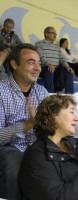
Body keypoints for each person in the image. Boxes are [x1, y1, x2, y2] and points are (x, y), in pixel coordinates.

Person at [0, 43, 48, 200]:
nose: (38, 68)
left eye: (39, 63)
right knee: (14, 161)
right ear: (14, 64)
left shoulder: (42, 92)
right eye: (31, 62)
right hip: (10, 148)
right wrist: (27, 125)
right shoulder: (1, 90)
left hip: (37, 146)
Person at [35, 26, 74, 93]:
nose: (55, 35)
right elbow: (41, 57)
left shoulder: (57, 47)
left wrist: (67, 66)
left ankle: (69, 95)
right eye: (53, 33)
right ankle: (50, 94)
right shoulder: (39, 44)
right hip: (45, 68)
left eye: (55, 34)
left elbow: (62, 58)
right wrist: (49, 64)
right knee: (49, 70)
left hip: (56, 68)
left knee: (69, 72)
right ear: (46, 34)